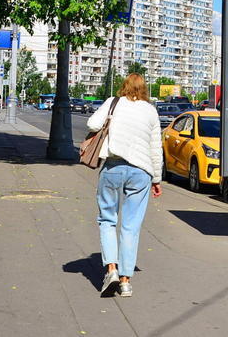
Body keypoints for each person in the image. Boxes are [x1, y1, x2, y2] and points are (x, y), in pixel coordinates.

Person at [87, 73, 163, 298]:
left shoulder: (114, 102)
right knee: (131, 226)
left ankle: (111, 268)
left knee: (107, 219)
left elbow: (92, 123)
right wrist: (157, 180)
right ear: (144, 89)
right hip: (141, 172)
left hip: (113, 167)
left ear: (124, 87)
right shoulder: (151, 110)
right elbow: (155, 148)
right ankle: (126, 281)